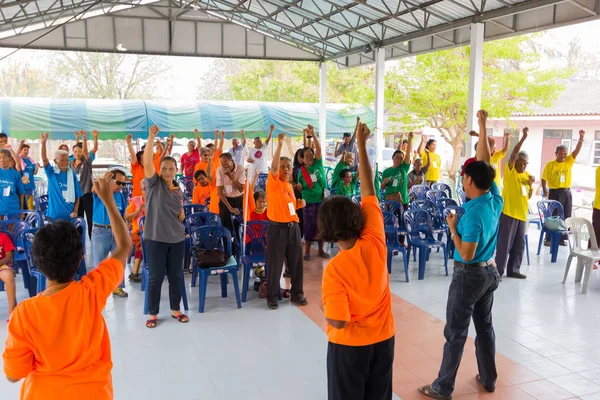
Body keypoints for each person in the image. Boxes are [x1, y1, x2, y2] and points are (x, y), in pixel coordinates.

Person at [2, 175, 131, 399]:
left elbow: (13, 375)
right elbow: (124, 246)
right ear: (80, 259)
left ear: (37, 264)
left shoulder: (24, 314)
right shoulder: (91, 292)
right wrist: (109, 201)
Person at [419, 110, 502, 400]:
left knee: (455, 332)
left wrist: (453, 227)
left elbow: (465, 253)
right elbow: (485, 166)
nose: (463, 179)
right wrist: (481, 125)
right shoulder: (493, 197)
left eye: (465, 177)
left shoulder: (471, 215)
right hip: (490, 273)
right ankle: (489, 378)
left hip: (470, 274)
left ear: (467, 181)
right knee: (485, 327)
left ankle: (442, 387)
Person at [319, 121, 395, 400]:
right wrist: (362, 146)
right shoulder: (375, 238)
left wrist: (324, 303)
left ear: (326, 230)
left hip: (349, 348)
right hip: (384, 340)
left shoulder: (335, 270)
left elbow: (338, 321)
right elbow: (369, 190)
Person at [142, 125, 188, 329]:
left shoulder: (178, 191)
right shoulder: (153, 184)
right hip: (156, 239)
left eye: (171, 169)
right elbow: (147, 162)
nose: (168, 172)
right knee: (156, 277)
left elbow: (180, 212)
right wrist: (151, 137)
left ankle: (175, 309)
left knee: (176, 276)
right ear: (159, 170)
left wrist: (182, 215)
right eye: (164, 169)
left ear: (176, 171)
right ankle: (153, 313)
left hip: (177, 240)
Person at [265, 132, 307, 310]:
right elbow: (274, 167)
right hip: (277, 229)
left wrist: (298, 205)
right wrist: (280, 143)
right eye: (283, 167)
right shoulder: (272, 182)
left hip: (293, 227)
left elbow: (287, 206)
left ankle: (297, 293)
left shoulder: (289, 185)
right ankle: (272, 296)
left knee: (296, 263)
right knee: (275, 265)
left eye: (288, 166)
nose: (286, 169)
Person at [495, 128, 533, 280]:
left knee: (519, 245)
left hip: (522, 215)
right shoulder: (510, 170)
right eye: (521, 162)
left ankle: (514, 269)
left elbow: (528, 196)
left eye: (525, 164)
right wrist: (523, 137)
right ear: (516, 161)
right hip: (509, 213)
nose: (523, 166)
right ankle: (498, 271)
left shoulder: (527, 176)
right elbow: (512, 154)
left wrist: (531, 186)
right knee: (505, 245)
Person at [541, 130, 585, 246]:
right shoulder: (550, 165)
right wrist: (545, 190)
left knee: (566, 214)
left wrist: (581, 138)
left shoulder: (568, 162)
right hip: (555, 192)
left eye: (565, 153)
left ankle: (562, 239)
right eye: (561, 153)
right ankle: (548, 239)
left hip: (567, 192)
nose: (564, 155)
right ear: (556, 153)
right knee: (553, 216)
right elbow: (543, 178)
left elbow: (576, 151)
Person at [92, 169, 128, 297]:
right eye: (118, 182)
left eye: (123, 184)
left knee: (118, 261)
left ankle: (117, 287)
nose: (121, 186)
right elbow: (94, 189)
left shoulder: (120, 196)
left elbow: (122, 214)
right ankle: (98, 289)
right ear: (111, 181)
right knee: (100, 262)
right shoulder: (101, 191)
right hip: (101, 230)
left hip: (116, 231)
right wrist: (105, 180)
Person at [297, 125, 329, 260]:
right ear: (302, 159)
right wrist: (298, 186)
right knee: (309, 226)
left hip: (322, 199)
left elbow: (319, 148)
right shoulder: (301, 172)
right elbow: (300, 185)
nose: (310, 157)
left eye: (311, 155)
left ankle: (321, 250)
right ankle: (308, 251)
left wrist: (314, 134)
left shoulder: (318, 164)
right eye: (307, 156)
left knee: (321, 225)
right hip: (308, 202)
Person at [40, 132, 82, 221]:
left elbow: (77, 196)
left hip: (69, 216)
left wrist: (75, 211)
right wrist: (43, 143)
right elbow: (44, 159)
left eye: (67, 160)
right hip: (54, 215)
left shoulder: (72, 175)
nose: (65, 162)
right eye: (62, 160)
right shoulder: (51, 172)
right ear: (55, 161)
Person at [71, 130, 96, 238]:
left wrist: (84, 137)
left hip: (87, 195)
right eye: (75, 151)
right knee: (78, 220)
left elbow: (85, 151)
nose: (77, 153)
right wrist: (77, 139)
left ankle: (92, 239)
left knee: (90, 220)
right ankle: (79, 242)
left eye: (79, 151)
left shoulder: (86, 162)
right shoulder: (69, 164)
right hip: (76, 197)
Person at [381, 132, 414, 205]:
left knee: (402, 216)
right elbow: (382, 188)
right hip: (390, 200)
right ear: (392, 158)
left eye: (401, 158)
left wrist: (409, 139)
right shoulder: (386, 171)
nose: (399, 159)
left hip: (403, 200)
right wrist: (384, 182)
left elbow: (408, 154)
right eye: (397, 157)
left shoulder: (404, 168)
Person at [217, 152, 245, 233]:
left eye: (226, 164)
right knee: (225, 228)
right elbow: (220, 192)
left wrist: (230, 176)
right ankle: (227, 245)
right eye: (223, 165)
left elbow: (240, 189)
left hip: (238, 200)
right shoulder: (219, 170)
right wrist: (230, 208)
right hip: (225, 200)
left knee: (238, 227)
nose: (225, 167)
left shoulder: (240, 169)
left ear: (232, 161)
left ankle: (237, 245)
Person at [125, 180, 146, 283]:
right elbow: (127, 216)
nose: (147, 191)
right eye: (144, 189)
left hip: (153, 232)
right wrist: (139, 211)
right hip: (137, 232)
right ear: (141, 190)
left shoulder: (156, 201)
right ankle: (135, 272)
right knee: (142, 242)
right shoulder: (136, 201)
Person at [0, 148, 25, 217]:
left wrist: (21, 211)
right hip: (0, 210)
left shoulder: (15, 174)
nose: (2, 160)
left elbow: (21, 193)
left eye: (4, 157)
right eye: (0, 158)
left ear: (10, 159)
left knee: (13, 228)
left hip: (13, 210)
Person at [17, 141, 38, 210]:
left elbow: (35, 173)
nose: (26, 151)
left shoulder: (30, 160)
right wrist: (20, 144)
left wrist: (37, 167)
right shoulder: (19, 160)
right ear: (20, 151)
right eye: (24, 150)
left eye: (27, 150)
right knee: (22, 205)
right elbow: (15, 155)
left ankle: (31, 219)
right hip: (22, 187)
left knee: (30, 206)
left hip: (30, 186)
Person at [0, 230, 16, 317]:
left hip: (2, 265)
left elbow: (9, 256)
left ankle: (11, 310)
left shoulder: (4, 237)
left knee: (9, 276)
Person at [126, 134, 145, 199]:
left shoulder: (151, 168)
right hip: (137, 198)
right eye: (144, 157)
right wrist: (129, 143)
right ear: (139, 159)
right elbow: (133, 155)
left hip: (149, 199)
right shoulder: (136, 167)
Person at [292, 148, 305, 236]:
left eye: (302, 156)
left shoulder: (308, 168)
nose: (300, 158)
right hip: (297, 194)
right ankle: (299, 233)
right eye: (299, 156)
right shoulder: (294, 169)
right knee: (299, 213)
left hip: (307, 194)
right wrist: (296, 186)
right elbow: (292, 181)